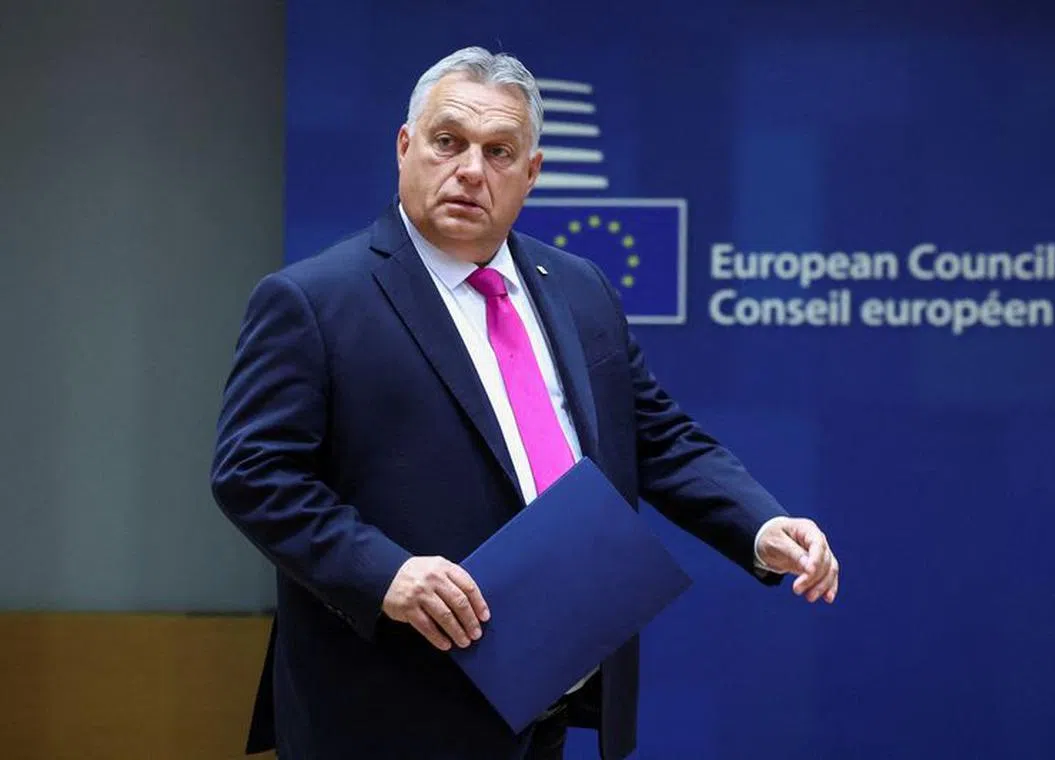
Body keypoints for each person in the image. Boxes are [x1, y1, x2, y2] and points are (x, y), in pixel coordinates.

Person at [210, 45, 839, 760]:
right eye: (448, 142)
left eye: (499, 152)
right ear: (405, 146)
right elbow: (253, 473)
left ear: (531, 174)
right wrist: (384, 572)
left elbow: (656, 437)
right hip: (391, 704)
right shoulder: (316, 300)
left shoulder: (580, 287)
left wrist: (760, 525)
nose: (471, 170)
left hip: (553, 694)